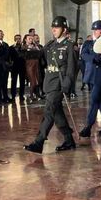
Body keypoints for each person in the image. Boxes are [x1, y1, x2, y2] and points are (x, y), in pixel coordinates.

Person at [24, 16, 77, 154]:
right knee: (56, 112)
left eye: (57, 27)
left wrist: (67, 85)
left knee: (48, 112)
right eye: (52, 27)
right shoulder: (50, 45)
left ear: (64, 29)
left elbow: (71, 68)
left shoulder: (70, 46)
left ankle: (39, 142)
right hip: (49, 83)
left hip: (59, 84)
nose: (53, 29)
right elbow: (40, 56)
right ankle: (69, 140)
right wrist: (27, 49)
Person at [79, 20, 101, 138]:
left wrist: (100, 56)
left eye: (98, 30)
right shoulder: (88, 43)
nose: (95, 32)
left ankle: (88, 126)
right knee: (100, 100)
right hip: (91, 75)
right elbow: (83, 55)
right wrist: (94, 57)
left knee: (94, 98)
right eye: (94, 30)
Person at [21, 34, 43, 102]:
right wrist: (29, 49)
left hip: (36, 63)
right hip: (29, 64)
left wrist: (35, 47)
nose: (31, 40)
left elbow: (40, 53)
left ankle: (37, 94)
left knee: (38, 79)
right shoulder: (24, 46)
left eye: (31, 38)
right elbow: (24, 55)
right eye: (29, 38)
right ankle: (31, 95)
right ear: (25, 39)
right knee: (32, 80)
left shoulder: (35, 46)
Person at [9, 34, 27, 101]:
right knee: (14, 81)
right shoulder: (11, 47)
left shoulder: (23, 48)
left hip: (22, 66)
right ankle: (13, 95)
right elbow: (10, 57)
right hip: (14, 66)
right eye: (16, 38)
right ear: (14, 39)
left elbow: (25, 56)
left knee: (22, 81)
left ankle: (21, 95)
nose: (18, 40)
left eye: (19, 38)